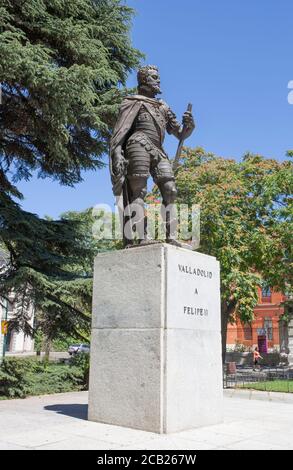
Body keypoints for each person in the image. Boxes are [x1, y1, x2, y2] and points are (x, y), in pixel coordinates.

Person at [110, 64, 195, 246]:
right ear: (144, 80)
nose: (158, 81)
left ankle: (171, 236)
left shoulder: (162, 106)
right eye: (154, 77)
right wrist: (117, 154)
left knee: (170, 190)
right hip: (138, 143)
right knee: (139, 192)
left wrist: (189, 125)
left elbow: (180, 133)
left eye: (157, 77)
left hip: (158, 150)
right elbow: (119, 133)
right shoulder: (131, 102)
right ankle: (142, 237)